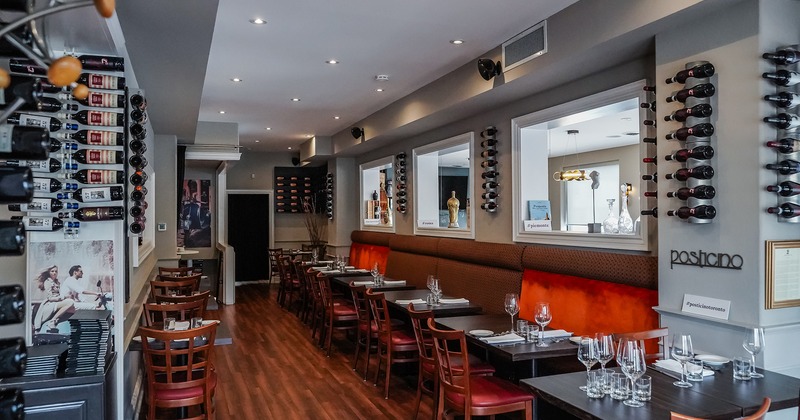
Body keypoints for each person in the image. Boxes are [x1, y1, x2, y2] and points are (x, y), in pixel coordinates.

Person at [33, 265, 75, 333]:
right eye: (52, 271)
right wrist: (64, 297)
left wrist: (68, 295)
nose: (54, 273)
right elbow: (50, 298)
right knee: (70, 302)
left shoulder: (57, 282)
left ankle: (55, 322)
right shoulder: (48, 282)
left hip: (57, 302)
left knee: (72, 309)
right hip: (50, 304)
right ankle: (53, 320)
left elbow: (60, 293)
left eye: (56, 271)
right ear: (49, 272)